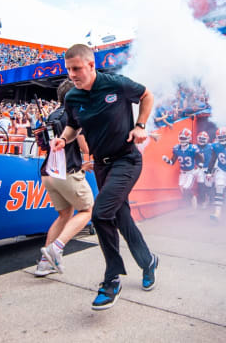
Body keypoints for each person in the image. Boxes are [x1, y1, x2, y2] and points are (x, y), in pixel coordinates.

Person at [51, 44, 158, 311]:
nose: (72, 74)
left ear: (90, 65)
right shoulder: (72, 98)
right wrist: (63, 140)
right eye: (68, 70)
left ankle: (111, 280)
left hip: (127, 160)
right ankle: (148, 262)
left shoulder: (116, 85)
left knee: (100, 214)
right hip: (101, 165)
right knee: (121, 218)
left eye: (76, 69)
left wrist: (140, 125)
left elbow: (147, 96)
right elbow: (74, 126)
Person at [35, 79, 94, 277]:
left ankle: (45, 263)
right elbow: (86, 147)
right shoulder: (75, 113)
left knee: (64, 214)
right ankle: (56, 247)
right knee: (87, 210)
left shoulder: (53, 114)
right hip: (67, 172)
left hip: (48, 173)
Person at [161, 128, 203, 209]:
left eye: (184, 138)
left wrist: (199, 168)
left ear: (189, 138)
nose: (182, 140)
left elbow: (201, 158)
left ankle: (193, 207)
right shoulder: (176, 148)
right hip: (182, 173)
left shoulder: (193, 148)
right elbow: (172, 162)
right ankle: (189, 204)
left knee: (186, 188)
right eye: (181, 138)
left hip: (191, 172)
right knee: (182, 189)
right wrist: (167, 160)